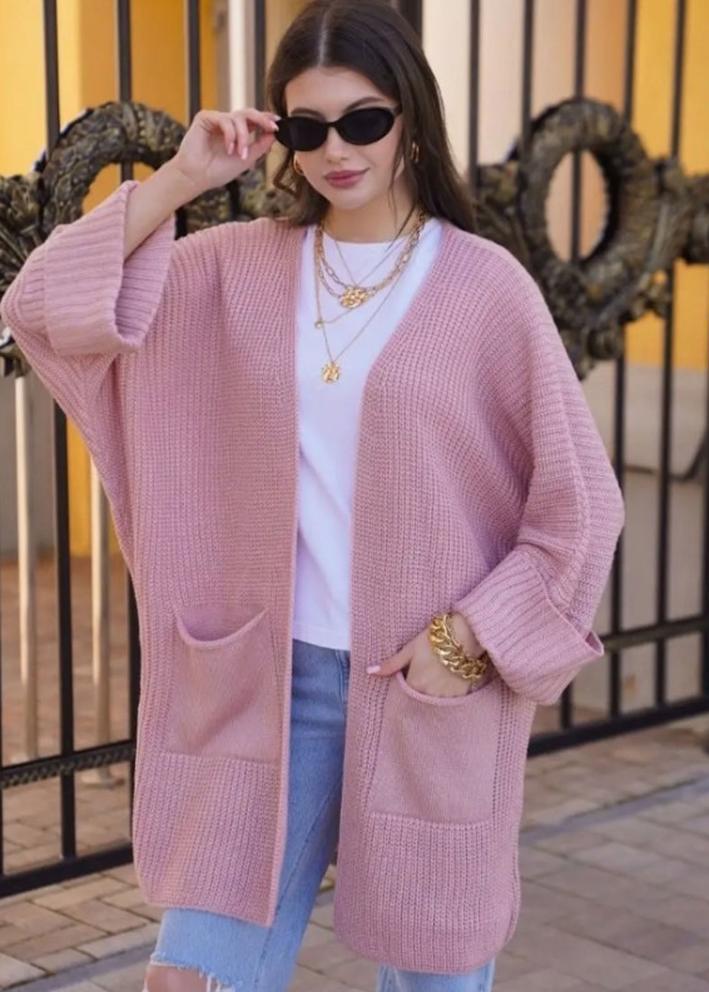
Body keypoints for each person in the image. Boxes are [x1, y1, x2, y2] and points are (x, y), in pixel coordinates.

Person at [0, 1, 625, 990]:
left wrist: (469, 639)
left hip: (419, 688)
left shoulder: (485, 288)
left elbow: (581, 504)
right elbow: (38, 308)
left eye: (363, 120)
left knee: (433, 975)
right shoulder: (229, 270)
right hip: (260, 687)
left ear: (410, 120)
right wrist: (183, 178)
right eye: (307, 126)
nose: (336, 149)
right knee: (193, 977)